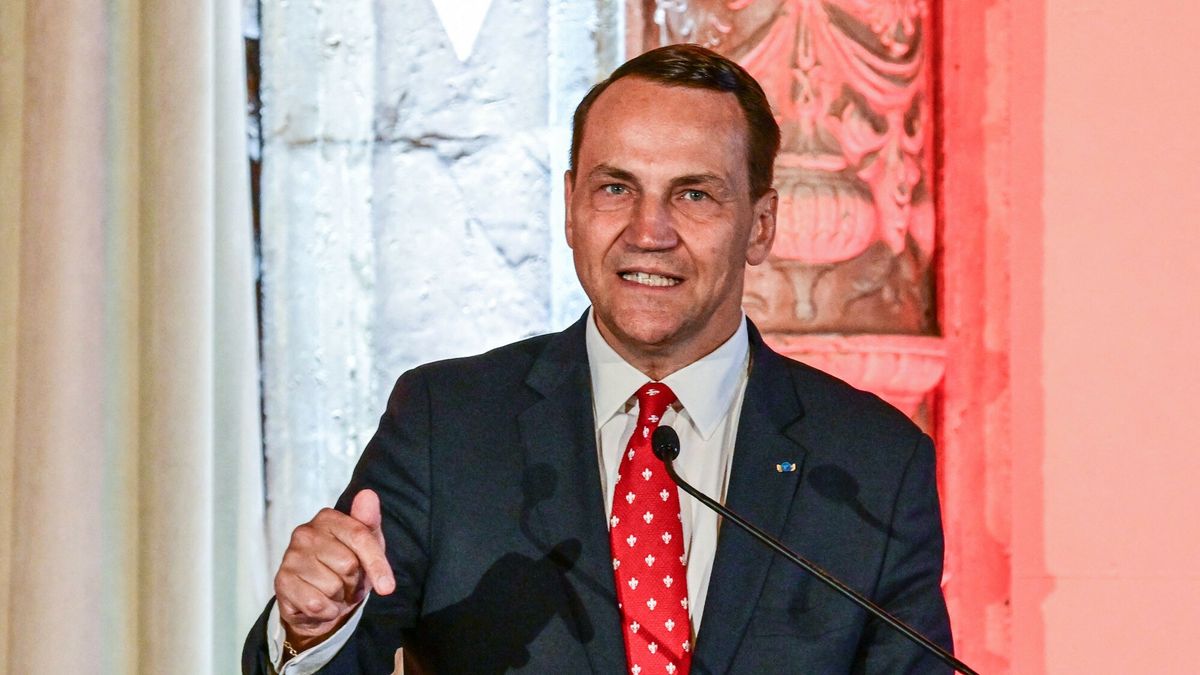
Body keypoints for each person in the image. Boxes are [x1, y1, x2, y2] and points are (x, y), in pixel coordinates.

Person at [243, 44, 953, 674]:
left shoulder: (871, 466)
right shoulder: (446, 425)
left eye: (694, 194)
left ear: (760, 226)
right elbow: (343, 652)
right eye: (616, 188)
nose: (650, 232)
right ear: (570, 207)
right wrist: (314, 630)